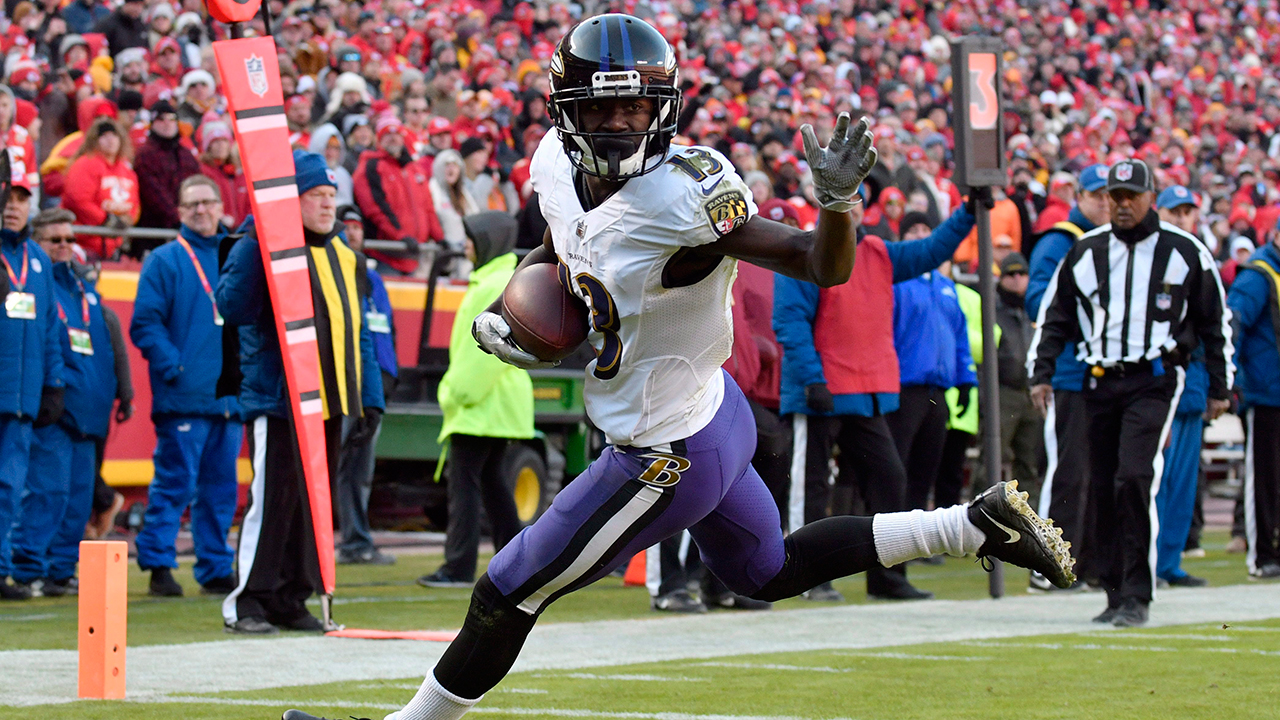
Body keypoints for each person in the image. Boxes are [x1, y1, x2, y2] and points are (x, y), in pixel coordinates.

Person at [284, 17, 1073, 720]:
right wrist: (518, 319)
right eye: (604, 109)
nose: (622, 125)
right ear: (568, 110)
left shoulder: (686, 196)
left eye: (635, 108)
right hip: (712, 414)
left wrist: (837, 205)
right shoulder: (556, 167)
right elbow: (561, 251)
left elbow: (815, 263)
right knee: (767, 571)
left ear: (663, 109)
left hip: (664, 452)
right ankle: (972, 525)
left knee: (507, 588)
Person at [1028, 159, 1233, 627]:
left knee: (1135, 477)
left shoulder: (1185, 251)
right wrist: (1041, 372)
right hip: (1098, 378)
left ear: (1148, 197)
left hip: (1154, 378)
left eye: (1129, 196)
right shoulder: (1085, 251)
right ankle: (1114, 591)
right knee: (1103, 483)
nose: (1120, 204)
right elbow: (1055, 313)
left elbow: (1212, 323)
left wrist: (1221, 385)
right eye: (1114, 196)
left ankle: (1138, 594)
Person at [216, 151, 384, 634]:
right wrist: (256, 239)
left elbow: (361, 332)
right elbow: (232, 306)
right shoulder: (261, 244)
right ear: (292, 201)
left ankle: (292, 596)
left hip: (330, 402)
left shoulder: (347, 257)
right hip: (278, 399)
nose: (328, 205)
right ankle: (248, 599)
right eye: (317, 196)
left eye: (332, 196)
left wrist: (370, 397)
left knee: (313, 503)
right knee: (271, 499)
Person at [775, 200, 976, 602]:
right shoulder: (806, 250)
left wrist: (968, 211)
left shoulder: (878, 253)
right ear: (824, 209)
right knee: (811, 488)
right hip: (822, 392)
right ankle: (806, 577)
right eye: (839, 204)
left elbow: (933, 250)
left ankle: (887, 577)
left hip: (866, 392)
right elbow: (789, 319)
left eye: (853, 203)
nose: (847, 211)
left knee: (889, 481)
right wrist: (813, 379)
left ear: (863, 211)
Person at [130, 176, 243, 597]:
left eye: (208, 202)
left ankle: (215, 568)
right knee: (175, 484)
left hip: (228, 397)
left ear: (219, 206)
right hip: (184, 395)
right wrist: (174, 367)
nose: (201, 210)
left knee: (221, 491)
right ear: (179, 212)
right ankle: (158, 564)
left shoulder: (236, 257)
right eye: (192, 203)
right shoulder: (164, 260)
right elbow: (144, 323)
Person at [417, 211, 530, 588]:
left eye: (470, 237)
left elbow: (478, 353)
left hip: (481, 405)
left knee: (464, 484)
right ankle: (519, 562)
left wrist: (455, 393)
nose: (465, 244)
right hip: (498, 404)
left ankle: (458, 566)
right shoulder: (501, 278)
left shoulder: (490, 283)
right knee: (493, 484)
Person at [9, 208, 116, 597]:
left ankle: (60, 569)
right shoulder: (35, 283)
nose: (66, 246)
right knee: (45, 493)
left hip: (89, 411)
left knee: (77, 498)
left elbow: (103, 349)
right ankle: (28, 567)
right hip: (56, 409)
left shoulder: (82, 287)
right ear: (36, 241)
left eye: (70, 239)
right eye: (56, 240)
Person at [1024, 163, 1109, 593]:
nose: (1105, 203)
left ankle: (1087, 562)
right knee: (1068, 470)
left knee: (1095, 473)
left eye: (1111, 195)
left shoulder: (1111, 242)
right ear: (1079, 197)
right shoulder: (1062, 240)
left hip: (1102, 373)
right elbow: (1038, 297)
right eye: (1097, 195)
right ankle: (1048, 564)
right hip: (1070, 368)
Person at [0, 176, 65, 601]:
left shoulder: (38, 261)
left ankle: (2, 570)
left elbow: (50, 330)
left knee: (9, 486)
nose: (13, 206)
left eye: (22, 199)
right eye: (7, 198)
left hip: (21, 398)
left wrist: (54, 385)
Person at [887, 212, 977, 521]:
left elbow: (959, 336)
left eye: (927, 229)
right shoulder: (897, 283)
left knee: (927, 468)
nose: (921, 234)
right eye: (914, 230)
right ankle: (892, 536)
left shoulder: (946, 287)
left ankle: (916, 538)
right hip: (905, 388)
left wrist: (966, 380)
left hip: (939, 391)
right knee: (898, 466)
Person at [1151, 184, 1216, 589]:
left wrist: (1218, 388)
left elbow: (1214, 330)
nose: (1181, 218)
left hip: (1193, 390)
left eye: (1187, 211)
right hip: (1161, 388)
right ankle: (1149, 559)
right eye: (1175, 211)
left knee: (1182, 487)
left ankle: (1170, 562)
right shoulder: (1155, 260)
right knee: (1158, 480)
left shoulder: (1201, 260)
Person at [333, 204, 396, 566]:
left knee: (361, 469)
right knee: (343, 466)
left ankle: (357, 540)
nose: (354, 232)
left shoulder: (373, 279)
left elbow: (385, 331)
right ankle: (347, 541)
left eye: (358, 226)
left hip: (374, 385)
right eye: (347, 226)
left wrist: (390, 375)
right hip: (347, 385)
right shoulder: (341, 274)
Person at [1226, 218, 1280, 579]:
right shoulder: (1258, 274)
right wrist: (1232, 377)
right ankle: (1261, 555)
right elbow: (1234, 323)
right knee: (1263, 475)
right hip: (1265, 391)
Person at [352, 116, 443, 275]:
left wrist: (439, 238)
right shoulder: (371, 166)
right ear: (379, 139)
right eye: (387, 134)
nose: (393, 138)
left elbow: (428, 208)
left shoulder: (414, 169)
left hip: (415, 256)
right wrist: (400, 236)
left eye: (397, 134)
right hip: (386, 255)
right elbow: (375, 209)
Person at [991, 252, 1043, 505]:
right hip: (1003, 391)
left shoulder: (1035, 309)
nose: (1016, 279)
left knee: (1029, 463)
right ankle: (982, 520)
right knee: (992, 458)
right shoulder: (991, 308)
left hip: (1030, 391)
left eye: (1021, 273)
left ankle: (1030, 524)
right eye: (1010, 274)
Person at [61, 117, 140, 261]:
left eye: (114, 136)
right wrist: (105, 220)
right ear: (94, 140)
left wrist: (127, 219)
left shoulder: (127, 170)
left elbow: (135, 204)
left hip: (114, 246)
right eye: (104, 136)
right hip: (85, 245)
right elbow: (77, 199)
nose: (111, 140)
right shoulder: (85, 164)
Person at [135, 100, 201, 236]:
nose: (167, 124)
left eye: (172, 119)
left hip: (189, 223)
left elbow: (198, 184)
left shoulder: (186, 154)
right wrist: (178, 217)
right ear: (152, 124)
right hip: (156, 230)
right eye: (161, 119)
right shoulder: (145, 155)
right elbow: (153, 193)